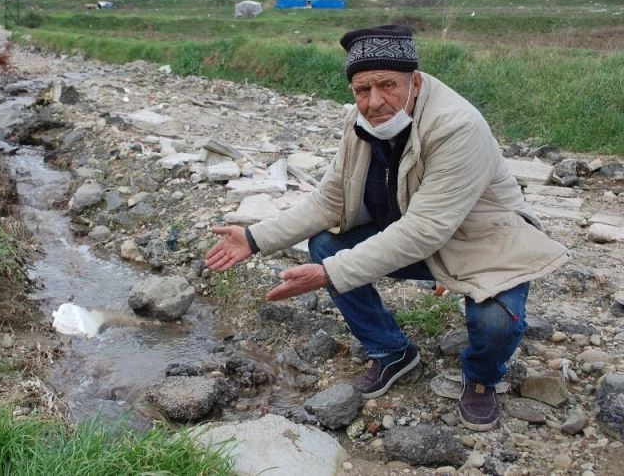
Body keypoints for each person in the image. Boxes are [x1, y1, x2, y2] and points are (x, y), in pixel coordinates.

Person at [204, 24, 569, 432]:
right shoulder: (361, 124)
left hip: (484, 245)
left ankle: (482, 377)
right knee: (327, 243)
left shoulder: (456, 125)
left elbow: (426, 228)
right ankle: (392, 351)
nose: (375, 101)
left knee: (496, 323)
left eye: (387, 85)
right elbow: (329, 201)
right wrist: (254, 238)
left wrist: (331, 274)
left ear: (414, 81)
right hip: (418, 238)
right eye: (362, 89)